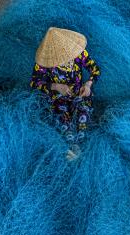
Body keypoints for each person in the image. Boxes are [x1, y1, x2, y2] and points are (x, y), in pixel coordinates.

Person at [30, 27, 101, 160]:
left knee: (83, 114)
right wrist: (55, 86)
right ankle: (72, 146)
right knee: (63, 120)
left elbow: (95, 69)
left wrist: (88, 84)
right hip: (58, 97)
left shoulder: (79, 54)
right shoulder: (44, 63)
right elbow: (34, 82)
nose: (66, 60)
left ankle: (81, 144)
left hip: (79, 93)